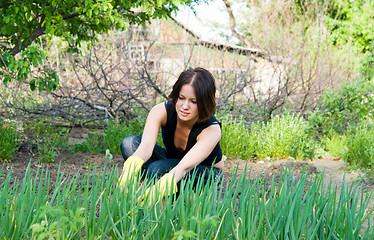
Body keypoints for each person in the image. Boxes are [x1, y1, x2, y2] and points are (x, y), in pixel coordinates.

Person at [118, 67, 224, 203]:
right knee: (129, 144)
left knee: (157, 169)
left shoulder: (211, 130)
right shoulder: (161, 111)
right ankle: (143, 195)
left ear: (204, 103)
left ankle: (191, 202)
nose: (185, 106)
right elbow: (146, 147)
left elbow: (184, 167)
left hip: (206, 171)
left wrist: (161, 187)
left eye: (194, 101)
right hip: (173, 160)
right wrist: (130, 168)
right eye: (181, 98)